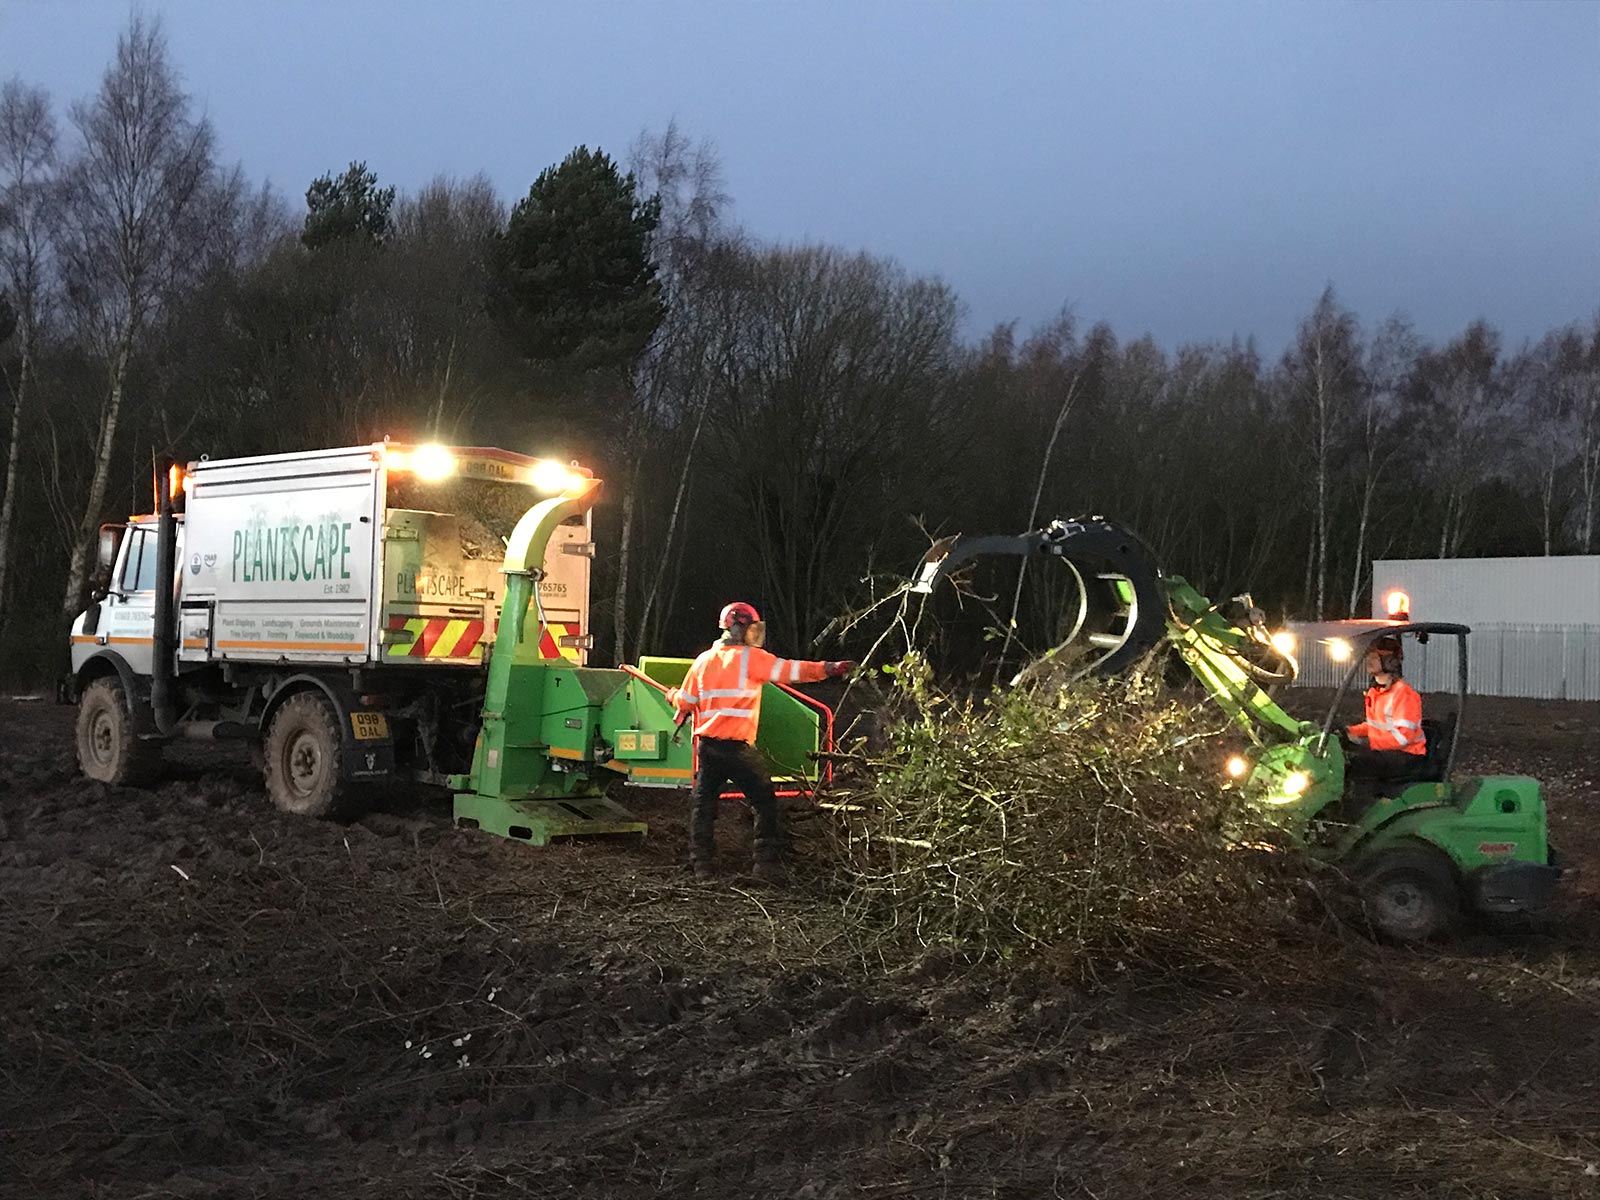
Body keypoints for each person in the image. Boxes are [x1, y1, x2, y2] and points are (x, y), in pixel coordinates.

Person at [667, 602, 854, 883]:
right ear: (737, 627)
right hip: (739, 749)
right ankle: (766, 865)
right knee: (765, 802)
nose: (756, 634)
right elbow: (794, 670)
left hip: (708, 748)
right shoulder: (751, 659)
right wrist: (830, 668)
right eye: (751, 628)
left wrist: (673, 696)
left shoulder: (703, 661)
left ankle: (702, 866)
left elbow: (687, 701)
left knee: (703, 806)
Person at [1342, 634, 1426, 783]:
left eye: (1375, 657)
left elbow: (1403, 738)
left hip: (1407, 756)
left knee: (1355, 764)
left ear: (1390, 661)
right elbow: (1374, 726)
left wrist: (1367, 743)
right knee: (1341, 757)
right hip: (1386, 751)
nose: (1369, 660)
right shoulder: (1375, 692)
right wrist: (1348, 731)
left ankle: (1358, 803)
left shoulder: (1404, 694)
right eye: (1369, 656)